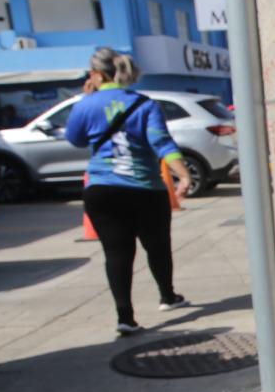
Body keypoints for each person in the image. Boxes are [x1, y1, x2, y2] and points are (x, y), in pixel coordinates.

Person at [64, 47, 194, 335]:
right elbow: (162, 143)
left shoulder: (85, 104)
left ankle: (125, 317)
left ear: (96, 74)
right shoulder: (145, 105)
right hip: (146, 189)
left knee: (117, 252)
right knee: (157, 245)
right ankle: (168, 296)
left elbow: (74, 139)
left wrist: (88, 99)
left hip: (102, 188)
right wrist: (182, 175)